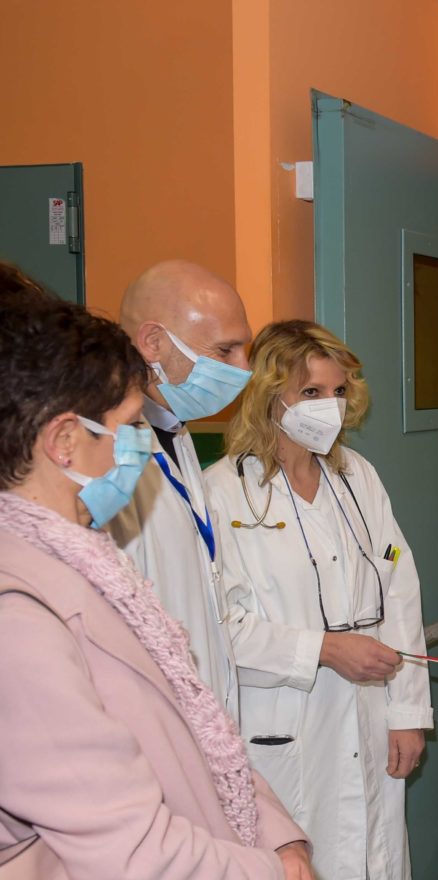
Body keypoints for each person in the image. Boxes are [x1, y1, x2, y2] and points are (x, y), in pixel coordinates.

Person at [0, 292, 316, 880]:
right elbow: (130, 854)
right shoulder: (17, 616)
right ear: (63, 440)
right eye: (129, 427)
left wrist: (275, 837)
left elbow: (187, 724)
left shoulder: (85, 561)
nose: (140, 446)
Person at [203, 321, 433, 880]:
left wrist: (407, 713)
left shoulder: (357, 477)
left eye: (337, 391)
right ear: (268, 394)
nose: (329, 407)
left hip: (364, 718)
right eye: (310, 392)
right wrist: (324, 650)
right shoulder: (223, 492)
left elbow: (399, 588)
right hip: (278, 732)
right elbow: (216, 627)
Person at [107, 261, 254, 721]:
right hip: (150, 720)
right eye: (226, 350)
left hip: (200, 716)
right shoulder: (111, 457)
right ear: (153, 342)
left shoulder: (175, 432)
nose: (244, 369)